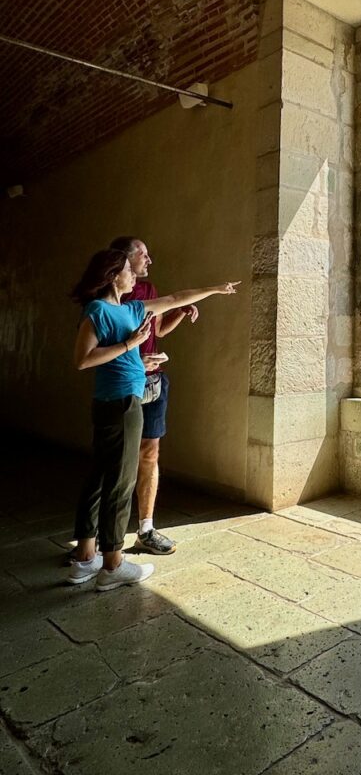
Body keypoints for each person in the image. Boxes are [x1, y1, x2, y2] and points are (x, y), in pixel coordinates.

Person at [68, 248, 238, 591]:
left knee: (102, 476)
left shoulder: (131, 309)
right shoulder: (98, 311)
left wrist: (215, 289)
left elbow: (176, 298)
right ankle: (113, 565)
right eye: (130, 271)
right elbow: (83, 360)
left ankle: (85, 559)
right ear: (115, 275)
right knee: (120, 483)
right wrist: (131, 343)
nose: (136, 276)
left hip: (125, 396)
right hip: (118, 404)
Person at [109, 236, 195, 555]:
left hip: (154, 381)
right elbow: (98, 349)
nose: (149, 259)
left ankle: (145, 529)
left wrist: (181, 313)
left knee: (150, 453)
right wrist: (134, 361)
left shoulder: (149, 290)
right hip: (124, 383)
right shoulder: (108, 298)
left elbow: (156, 332)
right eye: (143, 254)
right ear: (123, 259)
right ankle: (102, 538)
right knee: (118, 458)